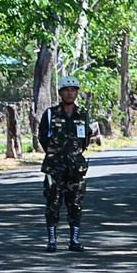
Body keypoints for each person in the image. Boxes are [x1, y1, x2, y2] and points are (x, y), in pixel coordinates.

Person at [38, 75, 91, 252]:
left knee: (75, 203)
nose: (70, 93)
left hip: (76, 168)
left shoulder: (82, 114)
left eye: (73, 90)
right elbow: (43, 138)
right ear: (60, 92)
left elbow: (85, 140)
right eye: (67, 90)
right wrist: (56, 154)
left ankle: (74, 240)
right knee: (53, 202)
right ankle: (52, 240)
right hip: (54, 167)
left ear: (77, 93)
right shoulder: (51, 114)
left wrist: (74, 155)